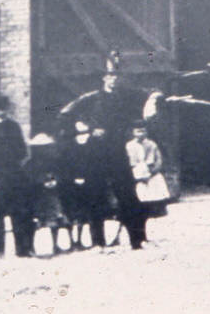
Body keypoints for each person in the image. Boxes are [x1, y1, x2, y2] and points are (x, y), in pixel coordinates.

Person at [58, 69, 163, 250]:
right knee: (95, 195)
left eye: (117, 76)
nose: (114, 80)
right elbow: (65, 114)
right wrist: (87, 129)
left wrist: (152, 101)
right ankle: (98, 242)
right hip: (96, 153)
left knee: (128, 194)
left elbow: (155, 92)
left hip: (118, 152)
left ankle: (137, 240)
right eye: (110, 76)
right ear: (104, 78)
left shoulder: (127, 96)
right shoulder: (91, 98)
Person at [61, 120, 113, 249]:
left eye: (83, 123)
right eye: (78, 123)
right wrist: (74, 177)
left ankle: (99, 241)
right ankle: (79, 242)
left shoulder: (96, 143)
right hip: (77, 183)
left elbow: (100, 163)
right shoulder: (71, 144)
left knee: (97, 212)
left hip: (95, 182)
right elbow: (68, 164)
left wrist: (91, 177)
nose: (80, 126)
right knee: (81, 213)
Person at [0, 94, 34, 258]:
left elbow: (23, 151)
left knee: (19, 213)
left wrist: (14, 164)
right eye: (0, 109)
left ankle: (22, 249)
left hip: (14, 176)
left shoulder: (13, 126)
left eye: (5, 109)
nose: (3, 112)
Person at [124, 122, 169, 250]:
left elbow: (158, 160)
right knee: (139, 206)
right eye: (138, 131)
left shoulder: (152, 144)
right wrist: (136, 175)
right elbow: (130, 163)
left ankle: (145, 236)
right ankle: (138, 237)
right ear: (133, 132)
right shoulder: (129, 146)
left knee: (149, 208)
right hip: (137, 178)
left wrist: (151, 172)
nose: (141, 134)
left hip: (151, 177)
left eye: (143, 131)